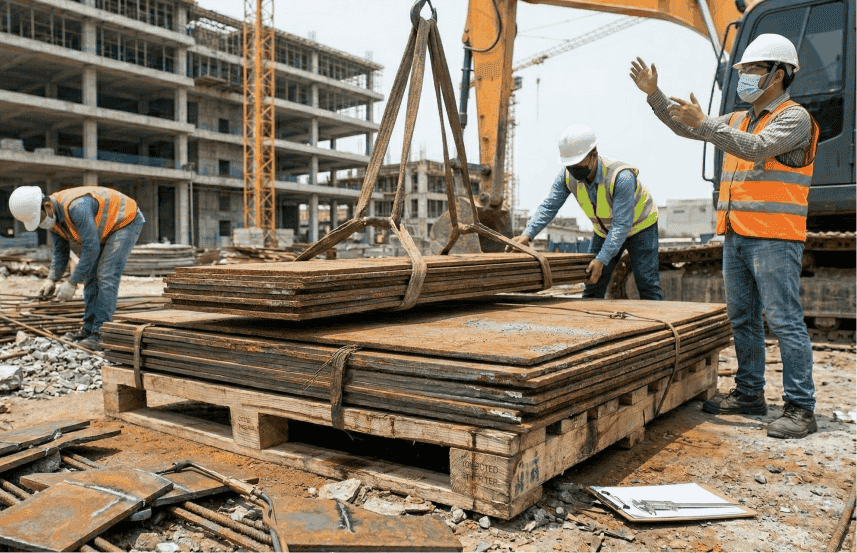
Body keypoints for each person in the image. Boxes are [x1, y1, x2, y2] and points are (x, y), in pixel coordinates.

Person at [630, 34, 820, 439]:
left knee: (784, 320)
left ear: (779, 74)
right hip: (736, 235)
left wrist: (706, 124)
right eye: (744, 71)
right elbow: (688, 128)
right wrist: (655, 96)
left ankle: (801, 408)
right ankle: (750, 393)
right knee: (743, 318)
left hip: (775, 237)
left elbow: (756, 149)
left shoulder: (794, 118)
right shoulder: (736, 120)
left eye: (752, 70)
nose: (745, 78)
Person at [508, 123, 663, 300]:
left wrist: (602, 259)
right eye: (569, 165)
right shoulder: (567, 176)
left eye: (577, 163)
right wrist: (528, 234)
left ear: (593, 155)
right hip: (605, 231)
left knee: (647, 284)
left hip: (640, 228)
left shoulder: (621, 177)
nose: (573, 169)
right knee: (592, 283)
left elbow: (621, 225)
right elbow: (549, 206)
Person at [8, 186, 145, 350]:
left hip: (125, 220)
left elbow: (91, 248)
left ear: (47, 206)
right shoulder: (54, 220)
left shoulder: (77, 207)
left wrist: (72, 282)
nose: (40, 223)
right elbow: (60, 252)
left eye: (39, 218)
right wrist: (51, 279)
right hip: (105, 229)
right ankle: (88, 330)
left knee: (106, 275)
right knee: (91, 277)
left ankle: (101, 334)